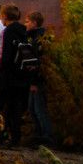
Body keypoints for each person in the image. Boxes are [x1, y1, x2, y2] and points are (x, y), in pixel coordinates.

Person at [0, 4, 28, 147]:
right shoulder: (24, 31)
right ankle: (16, 138)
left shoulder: (7, 32)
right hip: (23, 76)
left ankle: (3, 137)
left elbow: (4, 56)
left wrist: (0, 69)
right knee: (17, 108)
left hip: (8, 77)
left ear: (4, 16)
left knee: (2, 107)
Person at [24, 11, 54, 146]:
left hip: (38, 81)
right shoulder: (34, 38)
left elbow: (40, 62)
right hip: (33, 81)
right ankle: (38, 135)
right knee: (32, 108)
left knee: (39, 109)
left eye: (28, 21)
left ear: (35, 23)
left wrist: (35, 82)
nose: (26, 24)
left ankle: (47, 136)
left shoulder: (40, 39)